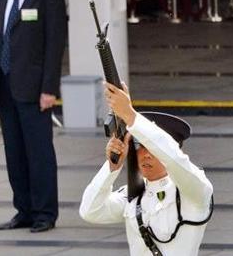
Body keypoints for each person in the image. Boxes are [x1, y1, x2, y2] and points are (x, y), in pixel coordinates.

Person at [0, 0, 67, 233]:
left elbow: (54, 45)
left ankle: (45, 212)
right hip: (6, 85)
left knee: (39, 151)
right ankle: (24, 210)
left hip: (34, 89)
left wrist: (49, 88)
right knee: (14, 152)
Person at [79, 82, 214, 255]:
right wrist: (112, 168)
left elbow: (173, 158)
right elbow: (90, 211)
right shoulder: (134, 194)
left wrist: (130, 115)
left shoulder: (194, 190)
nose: (146, 154)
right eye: (139, 146)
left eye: (152, 148)